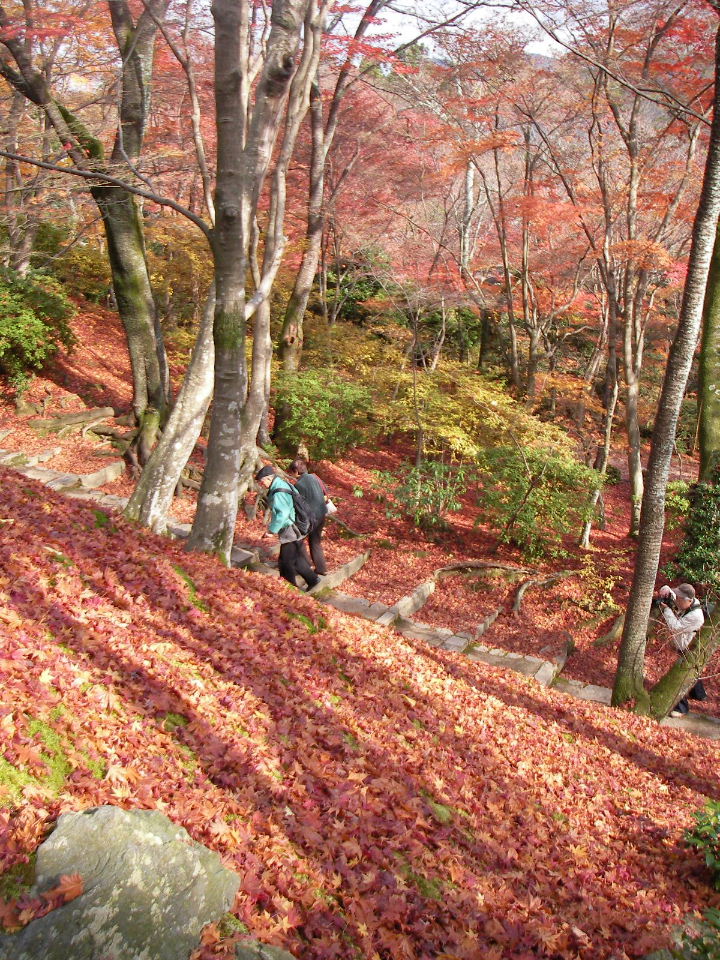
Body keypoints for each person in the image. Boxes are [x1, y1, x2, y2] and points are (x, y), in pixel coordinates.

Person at [255, 465, 319, 591]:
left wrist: (271, 531)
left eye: (262, 482)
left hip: (290, 528)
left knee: (286, 561)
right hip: (295, 525)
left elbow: (282, 514)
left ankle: (289, 588)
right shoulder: (283, 484)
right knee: (296, 559)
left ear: (268, 479)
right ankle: (313, 579)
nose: (262, 484)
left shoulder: (279, 492)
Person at [655, 583, 706, 717]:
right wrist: (665, 591)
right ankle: (699, 694)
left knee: (680, 675)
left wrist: (666, 610)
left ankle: (681, 708)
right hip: (685, 646)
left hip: (687, 648)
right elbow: (667, 590)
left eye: (678, 598)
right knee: (691, 671)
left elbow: (675, 627)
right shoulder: (691, 601)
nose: (676, 600)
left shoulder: (696, 616)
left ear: (687, 600)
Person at [287, 458, 328, 577]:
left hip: (310, 517)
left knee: (298, 540)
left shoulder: (299, 485)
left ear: (296, 471)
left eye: (292, 472)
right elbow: (325, 491)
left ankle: (304, 565)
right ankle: (321, 568)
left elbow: (298, 503)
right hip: (322, 513)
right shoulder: (315, 478)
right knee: (315, 542)